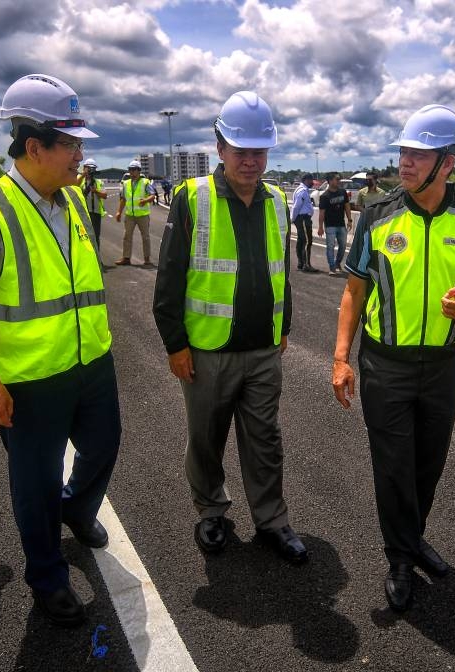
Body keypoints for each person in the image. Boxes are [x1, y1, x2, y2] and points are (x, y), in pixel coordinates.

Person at [0, 74, 121, 627]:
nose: (80, 154)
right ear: (33, 146)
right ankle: (47, 575)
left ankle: (75, 511)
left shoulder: (69, 202)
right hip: (28, 378)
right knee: (35, 482)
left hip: (91, 363)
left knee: (104, 446)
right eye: (71, 143)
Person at [332, 104, 455, 611]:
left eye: (417, 154)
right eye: (403, 151)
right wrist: (341, 358)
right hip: (385, 364)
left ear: (448, 162)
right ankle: (401, 556)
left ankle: (414, 535)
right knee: (395, 465)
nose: (405, 163)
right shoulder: (379, 216)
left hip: (444, 366)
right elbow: (354, 294)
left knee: (430, 462)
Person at [152, 90, 307, 566]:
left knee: (266, 440)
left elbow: (281, 272)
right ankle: (212, 511)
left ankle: (272, 520)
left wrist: (284, 329)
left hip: (263, 349)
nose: (251, 161)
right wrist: (176, 344)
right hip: (206, 351)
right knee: (206, 437)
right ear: (220, 147)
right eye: (241, 150)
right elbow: (169, 280)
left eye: (260, 151)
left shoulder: (278, 200)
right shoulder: (191, 198)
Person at [114, 160, 157, 266]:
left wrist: (145, 201)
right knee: (127, 236)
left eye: (134, 170)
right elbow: (123, 199)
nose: (131, 172)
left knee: (145, 237)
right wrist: (119, 212)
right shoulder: (126, 183)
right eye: (130, 170)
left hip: (142, 215)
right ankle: (126, 258)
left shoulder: (145, 182)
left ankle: (147, 259)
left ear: (139, 171)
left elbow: (152, 195)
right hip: (130, 215)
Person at [317, 172, 353, 276]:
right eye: (336, 179)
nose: (338, 181)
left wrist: (349, 220)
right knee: (330, 246)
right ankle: (332, 267)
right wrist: (320, 227)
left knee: (343, 246)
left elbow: (347, 206)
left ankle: (338, 263)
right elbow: (321, 213)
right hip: (330, 225)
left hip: (341, 224)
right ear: (330, 181)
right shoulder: (325, 196)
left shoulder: (343, 192)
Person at [291, 173, 319, 272]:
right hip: (302, 219)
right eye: (311, 181)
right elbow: (296, 206)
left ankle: (301, 263)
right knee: (307, 241)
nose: (312, 183)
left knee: (301, 241)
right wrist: (293, 219)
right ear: (307, 180)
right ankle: (306, 264)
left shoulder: (302, 190)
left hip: (302, 218)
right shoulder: (302, 191)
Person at [77, 157, 107, 242]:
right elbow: (74, 185)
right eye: (88, 168)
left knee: (95, 236)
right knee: (83, 236)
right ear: (84, 168)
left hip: (95, 213)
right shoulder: (80, 179)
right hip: (82, 212)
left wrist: (96, 191)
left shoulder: (98, 182)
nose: (90, 171)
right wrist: (83, 174)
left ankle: (96, 254)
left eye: (92, 169)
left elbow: (105, 195)